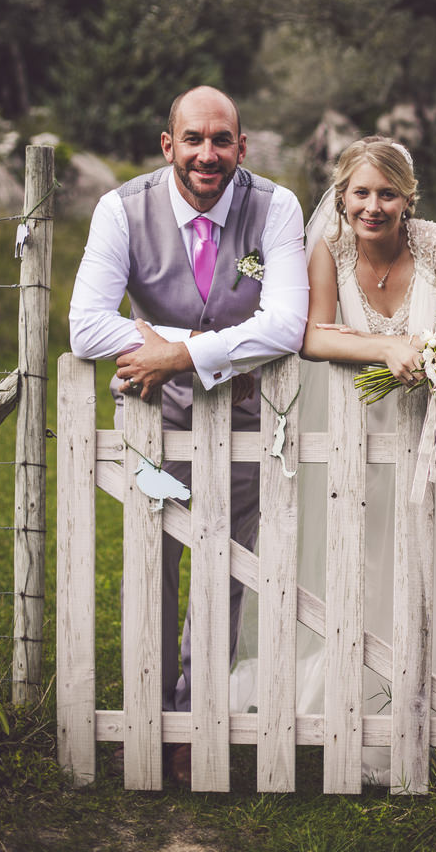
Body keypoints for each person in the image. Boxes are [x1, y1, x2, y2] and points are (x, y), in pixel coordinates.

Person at [69, 86, 309, 756]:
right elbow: (86, 325)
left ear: (242, 145)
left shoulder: (276, 206)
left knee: (227, 567)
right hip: (156, 417)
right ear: (168, 144)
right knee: (156, 559)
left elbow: (287, 324)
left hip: (248, 416)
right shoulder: (121, 209)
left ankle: (195, 720)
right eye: (194, 140)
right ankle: (150, 713)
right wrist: (198, 353)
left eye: (222, 140)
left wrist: (180, 352)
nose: (209, 155)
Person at [298, 136, 436, 785]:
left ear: (409, 198)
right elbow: (313, 332)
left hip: (429, 438)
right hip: (352, 438)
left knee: (426, 561)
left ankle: (435, 705)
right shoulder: (329, 245)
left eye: (387, 193)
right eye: (361, 192)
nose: (373, 206)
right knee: (358, 562)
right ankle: (350, 710)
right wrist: (384, 349)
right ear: (342, 194)